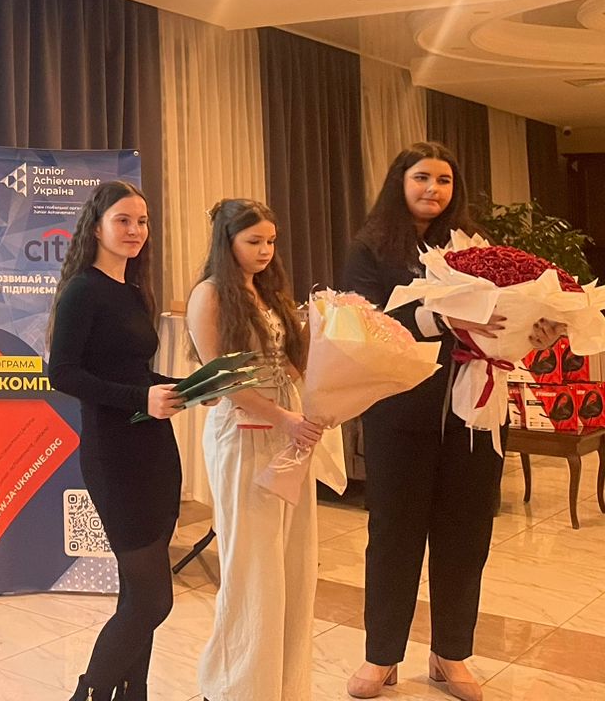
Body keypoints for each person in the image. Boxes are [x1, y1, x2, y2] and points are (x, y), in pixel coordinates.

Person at [341, 143, 506, 701]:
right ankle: (382, 656)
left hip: (473, 410)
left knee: (466, 534)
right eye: (421, 177)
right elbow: (362, 321)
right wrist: (438, 318)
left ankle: (450, 655)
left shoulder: (474, 246)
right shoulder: (369, 248)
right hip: (398, 410)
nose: (433, 189)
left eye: (443, 179)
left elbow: (502, 313)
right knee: (394, 535)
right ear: (400, 181)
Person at [46, 180, 181, 701]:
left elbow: (132, 371)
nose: (135, 230)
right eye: (123, 220)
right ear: (97, 226)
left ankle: (132, 692)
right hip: (114, 454)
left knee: (136, 593)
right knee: (152, 601)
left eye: (142, 221)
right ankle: (89, 692)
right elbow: (63, 373)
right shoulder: (83, 289)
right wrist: (140, 398)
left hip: (154, 449)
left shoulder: (133, 290)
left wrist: (185, 389)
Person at [186, 199, 322, 701]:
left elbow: (291, 365)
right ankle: (234, 685)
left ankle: (280, 685)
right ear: (227, 242)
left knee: (293, 560)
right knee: (252, 564)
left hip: (289, 430)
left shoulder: (269, 292)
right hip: (243, 433)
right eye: (254, 241)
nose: (265, 251)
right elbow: (221, 381)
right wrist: (284, 417)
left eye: (271, 241)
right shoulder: (209, 295)